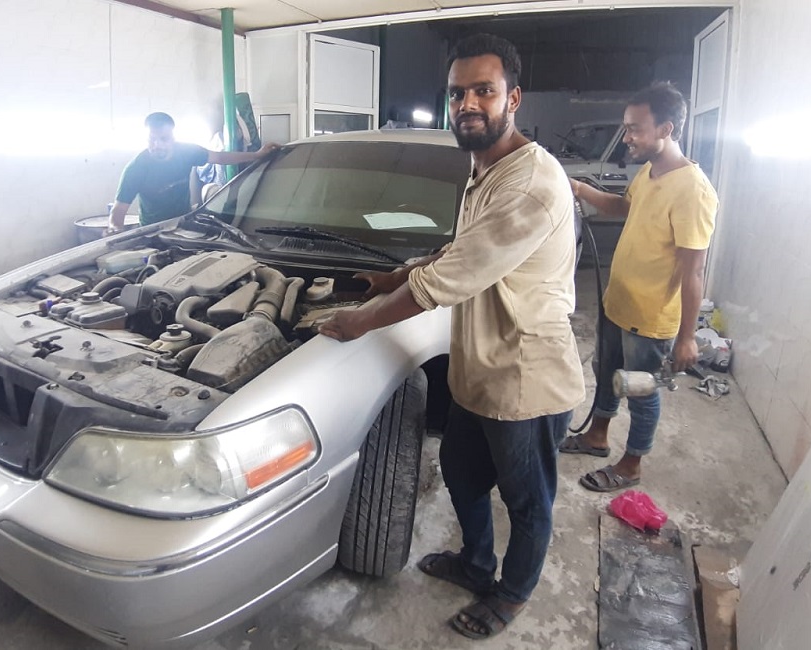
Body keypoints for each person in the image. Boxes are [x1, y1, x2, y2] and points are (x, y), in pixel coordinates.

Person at [318, 34, 584, 641]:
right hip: (478, 369)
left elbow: (449, 279)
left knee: (527, 501)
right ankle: (476, 563)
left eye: (483, 91)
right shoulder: (483, 167)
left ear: (513, 98)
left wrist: (361, 320)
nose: (467, 104)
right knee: (462, 474)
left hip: (526, 379)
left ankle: (511, 595)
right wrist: (395, 275)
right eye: (458, 92)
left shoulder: (529, 183)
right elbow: (459, 250)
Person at [559, 82, 718, 492]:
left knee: (641, 391)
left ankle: (631, 466)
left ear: (666, 129)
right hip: (618, 302)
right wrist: (580, 189)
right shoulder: (650, 171)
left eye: (635, 129)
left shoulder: (693, 190)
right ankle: (597, 437)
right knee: (606, 372)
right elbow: (625, 207)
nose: (627, 136)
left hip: (650, 318)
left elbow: (694, 271)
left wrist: (687, 338)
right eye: (626, 127)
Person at [106, 112, 278, 234]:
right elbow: (118, 211)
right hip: (153, 233)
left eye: (163, 139)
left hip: (184, 226)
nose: (157, 145)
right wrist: (115, 232)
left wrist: (256, 155)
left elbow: (219, 157)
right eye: (152, 139)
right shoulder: (136, 168)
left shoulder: (187, 152)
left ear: (173, 138)